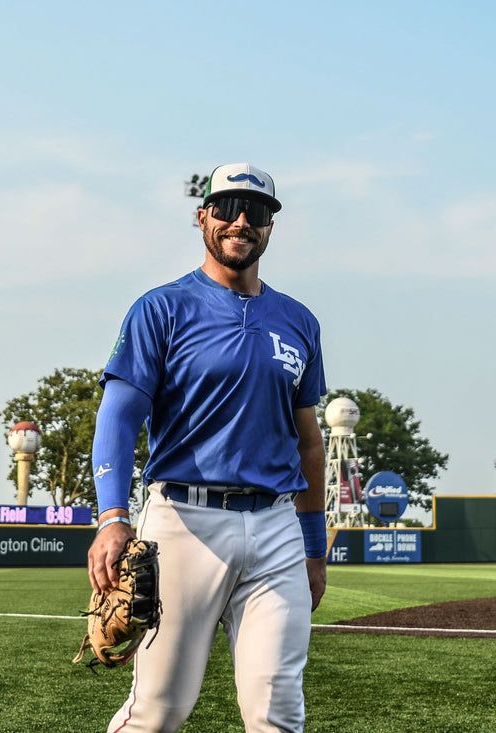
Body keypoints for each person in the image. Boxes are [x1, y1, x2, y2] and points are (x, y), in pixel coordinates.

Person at [87, 163, 328, 733]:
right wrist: (113, 517)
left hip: (276, 529)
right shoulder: (162, 308)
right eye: (226, 207)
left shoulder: (299, 322)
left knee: (278, 709)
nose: (241, 220)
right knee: (159, 709)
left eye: (257, 210)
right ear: (202, 218)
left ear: (271, 226)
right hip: (184, 523)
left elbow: (309, 443)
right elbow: (119, 417)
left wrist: (314, 547)